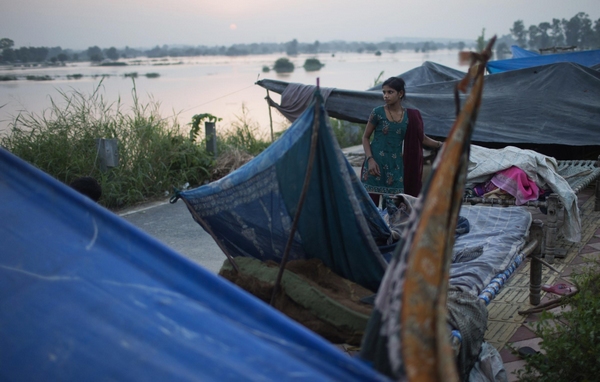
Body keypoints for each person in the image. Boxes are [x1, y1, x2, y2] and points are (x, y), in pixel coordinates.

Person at [361, 77, 443, 206]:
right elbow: (365, 137)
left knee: (395, 208)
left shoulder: (410, 116)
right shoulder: (377, 113)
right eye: (384, 92)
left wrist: (441, 145)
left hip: (395, 167)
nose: (386, 96)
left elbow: (421, 138)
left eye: (390, 92)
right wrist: (370, 159)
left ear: (400, 93)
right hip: (374, 166)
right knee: (370, 208)